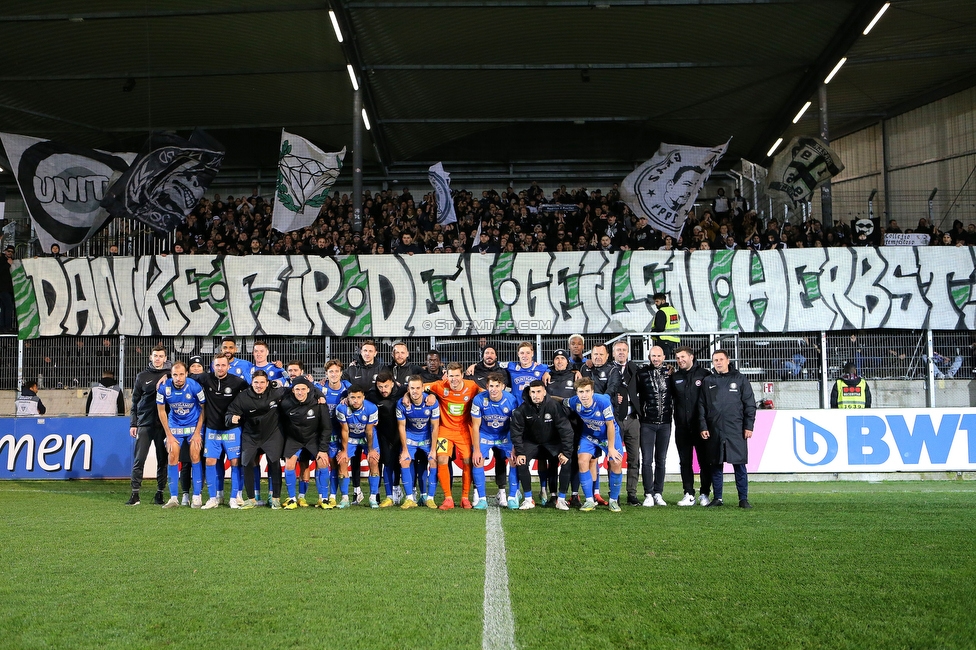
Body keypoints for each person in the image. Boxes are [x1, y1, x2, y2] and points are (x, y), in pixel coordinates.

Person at [698, 350, 756, 509]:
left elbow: (749, 404)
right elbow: (701, 406)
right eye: (715, 360)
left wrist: (748, 426)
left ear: (727, 360)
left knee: (739, 464)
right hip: (714, 429)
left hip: (736, 429)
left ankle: (743, 499)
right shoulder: (708, 381)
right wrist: (703, 426)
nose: (718, 362)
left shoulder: (740, 379)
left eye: (721, 359)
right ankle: (718, 498)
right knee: (715, 464)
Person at [190, 355, 249, 509]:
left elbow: (252, 394)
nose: (220, 368)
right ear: (213, 366)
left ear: (228, 366)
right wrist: (166, 377)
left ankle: (234, 498)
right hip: (212, 429)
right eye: (217, 365)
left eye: (223, 365)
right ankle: (212, 498)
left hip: (232, 430)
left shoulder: (238, 382)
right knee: (210, 462)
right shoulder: (205, 378)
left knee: (235, 463)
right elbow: (184, 376)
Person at [226, 370, 288, 509]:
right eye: (256, 382)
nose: (259, 385)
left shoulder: (276, 392)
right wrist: (231, 418)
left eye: (262, 382)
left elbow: (298, 389)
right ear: (251, 383)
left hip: (272, 434)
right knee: (246, 463)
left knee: (274, 463)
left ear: (267, 383)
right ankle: (251, 499)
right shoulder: (243, 397)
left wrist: (318, 394)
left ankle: (276, 498)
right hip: (251, 435)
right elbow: (230, 412)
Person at [510, 381, 575, 510]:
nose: (536, 395)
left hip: (552, 443)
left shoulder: (554, 406)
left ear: (544, 392)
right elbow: (516, 432)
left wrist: (566, 452)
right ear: (529, 393)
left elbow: (566, 430)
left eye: (538, 391)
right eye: (533, 392)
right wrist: (520, 451)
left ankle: (561, 500)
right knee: (521, 461)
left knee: (567, 461)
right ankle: (528, 499)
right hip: (531, 443)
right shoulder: (522, 409)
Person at [423, 362, 480, 509]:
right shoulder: (439, 386)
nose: (453, 379)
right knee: (442, 458)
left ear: (462, 375)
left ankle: (465, 497)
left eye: (456, 376)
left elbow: (485, 393)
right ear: (446, 375)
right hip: (445, 430)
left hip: (463, 430)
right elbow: (419, 387)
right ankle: (448, 498)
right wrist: (430, 395)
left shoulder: (472, 386)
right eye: (450, 376)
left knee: (468, 460)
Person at [567, 378, 623, 512]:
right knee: (582, 461)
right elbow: (561, 400)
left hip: (608, 435)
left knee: (616, 462)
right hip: (589, 436)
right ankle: (589, 500)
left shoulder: (603, 401)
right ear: (577, 392)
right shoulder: (574, 401)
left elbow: (610, 425)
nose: (584, 395)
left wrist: (610, 448)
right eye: (581, 392)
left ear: (592, 392)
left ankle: (613, 501)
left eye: (587, 391)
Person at [156, 361, 206, 508]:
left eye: (181, 374)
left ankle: (197, 496)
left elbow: (204, 408)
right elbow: (161, 411)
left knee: (195, 454)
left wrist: (197, 432)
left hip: (193, 426)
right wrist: (169, 435)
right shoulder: (164, 387)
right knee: (172, 455)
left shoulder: (195, 387)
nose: (178, 378)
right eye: (175, 375)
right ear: (171, 375)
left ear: (186, 374)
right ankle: (173, 498)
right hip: (175, 427)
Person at [126, 346, 171, 506]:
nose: (158, 358)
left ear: (166, 358)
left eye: (161, 356)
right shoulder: (142, 376)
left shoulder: (172, 375)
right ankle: (135, 494)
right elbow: (135, 401)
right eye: (155, 356)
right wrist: (133, 423)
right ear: (150, 357)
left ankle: (160, 493)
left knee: (162, 460)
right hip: (144, 423)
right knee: (139, 459)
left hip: (162, 426)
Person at [279, 377, 333, 509]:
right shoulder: (285, 404)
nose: (300, 392)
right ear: (293, 390)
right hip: (294, 438)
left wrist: (323, 449)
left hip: (313, 438)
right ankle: (292, 499)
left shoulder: (319, 403)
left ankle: (324, 499)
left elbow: (327, 428)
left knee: (322, 462)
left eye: (303, 389)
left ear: (309, 390)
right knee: (290, 464)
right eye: (297, 389)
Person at [669, 346, 712, 506]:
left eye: (683, 357)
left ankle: (705, 493)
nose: (680, 360)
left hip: (701, 427)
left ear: (691, 357)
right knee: (685, 462)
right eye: (678, 358)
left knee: (704, 461)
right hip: (682, 427)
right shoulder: (675, 377)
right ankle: (688, 493)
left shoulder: (705, 374)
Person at [470, 373, 519, 510]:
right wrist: (477, 450)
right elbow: (475, 426)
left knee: (513, 461)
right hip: (485, 434)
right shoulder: (479, 400)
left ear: (503, 386)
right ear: (487, 386)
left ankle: (512, 497)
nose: (494, 389)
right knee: (478, 460)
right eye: (491, 386)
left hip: (505, 435)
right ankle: (481, 499)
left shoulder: (511, 400)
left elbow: (515, 425)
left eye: (497, 386)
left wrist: (514, 446)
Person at [634, 346, 673, 507]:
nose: (656, 358)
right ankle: (648, 494)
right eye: (653, 355)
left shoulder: (671, 373)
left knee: (661, 460)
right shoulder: (641, 373)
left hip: (665, 423)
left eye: (658, 355)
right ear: (649, 356)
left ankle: (658, 493)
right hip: (647, 423)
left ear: (664, 356)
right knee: (647, 460)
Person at [396, 375, 441, 509]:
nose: (415, 391)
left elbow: (435, 426)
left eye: (417, 388)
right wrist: (404, 450)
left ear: (423, 388)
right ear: (408, 389)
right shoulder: (401, 403)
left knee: (433, 460)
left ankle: (430, 498)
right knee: (404, 460)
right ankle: (409, 498)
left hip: (426, 437)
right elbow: (401, 427)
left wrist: (433, 449)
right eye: (412, 388)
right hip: (410, 436)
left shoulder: (432, 403)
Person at [607, 340, 642, 506]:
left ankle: (632, 493)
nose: (621, 352)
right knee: (614, 457)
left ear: (628, 352)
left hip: (633, 419)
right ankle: (614, 494)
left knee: (634, 458)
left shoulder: (635, 369)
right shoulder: (608, 370)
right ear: (613, 353)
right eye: (618, 350)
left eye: (624, 350)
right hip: (615, 419)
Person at [365, 371, 407, 507]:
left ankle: (399, 489)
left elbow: (417, 390)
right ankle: (388, 496)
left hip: (401, 432)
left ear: (393, 383)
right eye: (380, 387)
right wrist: (345, 398)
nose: (383, 390)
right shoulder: (372, 394)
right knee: (387, 463)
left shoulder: (402, 390)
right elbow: (358, 398)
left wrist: (408, 395)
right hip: (382, 433)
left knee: (400, 463)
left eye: (386, 386)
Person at [334, 384, 380, 508]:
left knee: (373, 460)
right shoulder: (341, 408)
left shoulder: (372, 408)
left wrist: (371, 450)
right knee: (343, 461)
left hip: (367, 437)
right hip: (350, 438)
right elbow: (344, 430)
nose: (356, 400)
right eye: (353, 397)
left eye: (359, 397)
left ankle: (373, 497)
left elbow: (369, 431)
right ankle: (344, 499)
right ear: (347, 397)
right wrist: (344, 451)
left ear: (363, 397)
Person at [650, 293, 680, 358]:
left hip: (664, 340)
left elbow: (660, 328)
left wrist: (652, 331)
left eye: (657, 301)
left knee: (663, 361)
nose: (655, 303)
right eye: (655, 301)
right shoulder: (673, 310)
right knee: (670, 361)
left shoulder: (661, 312)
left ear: (663, 301)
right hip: (674, 339)